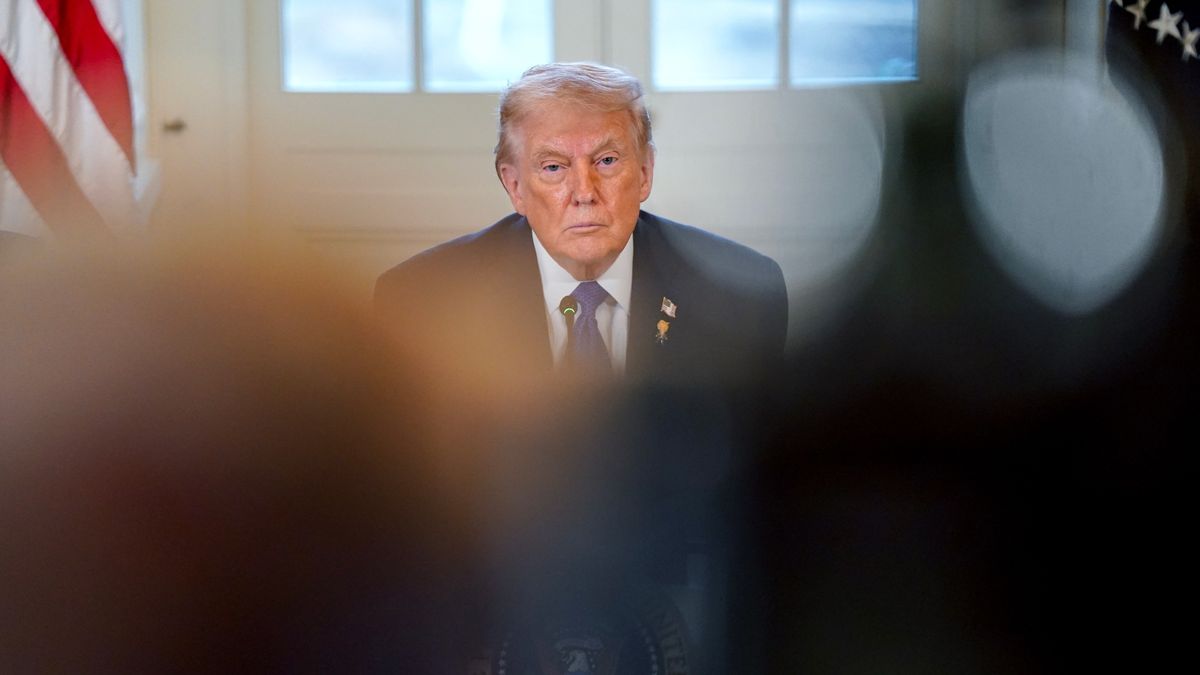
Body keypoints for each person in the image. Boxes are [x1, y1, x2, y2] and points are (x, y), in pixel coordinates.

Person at [375, 62, 788, 389]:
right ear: (515, 186)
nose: (584, 192)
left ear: (644, 173)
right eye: (554, 167)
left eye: (606, 161)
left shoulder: (740, 296)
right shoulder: (423, 303)